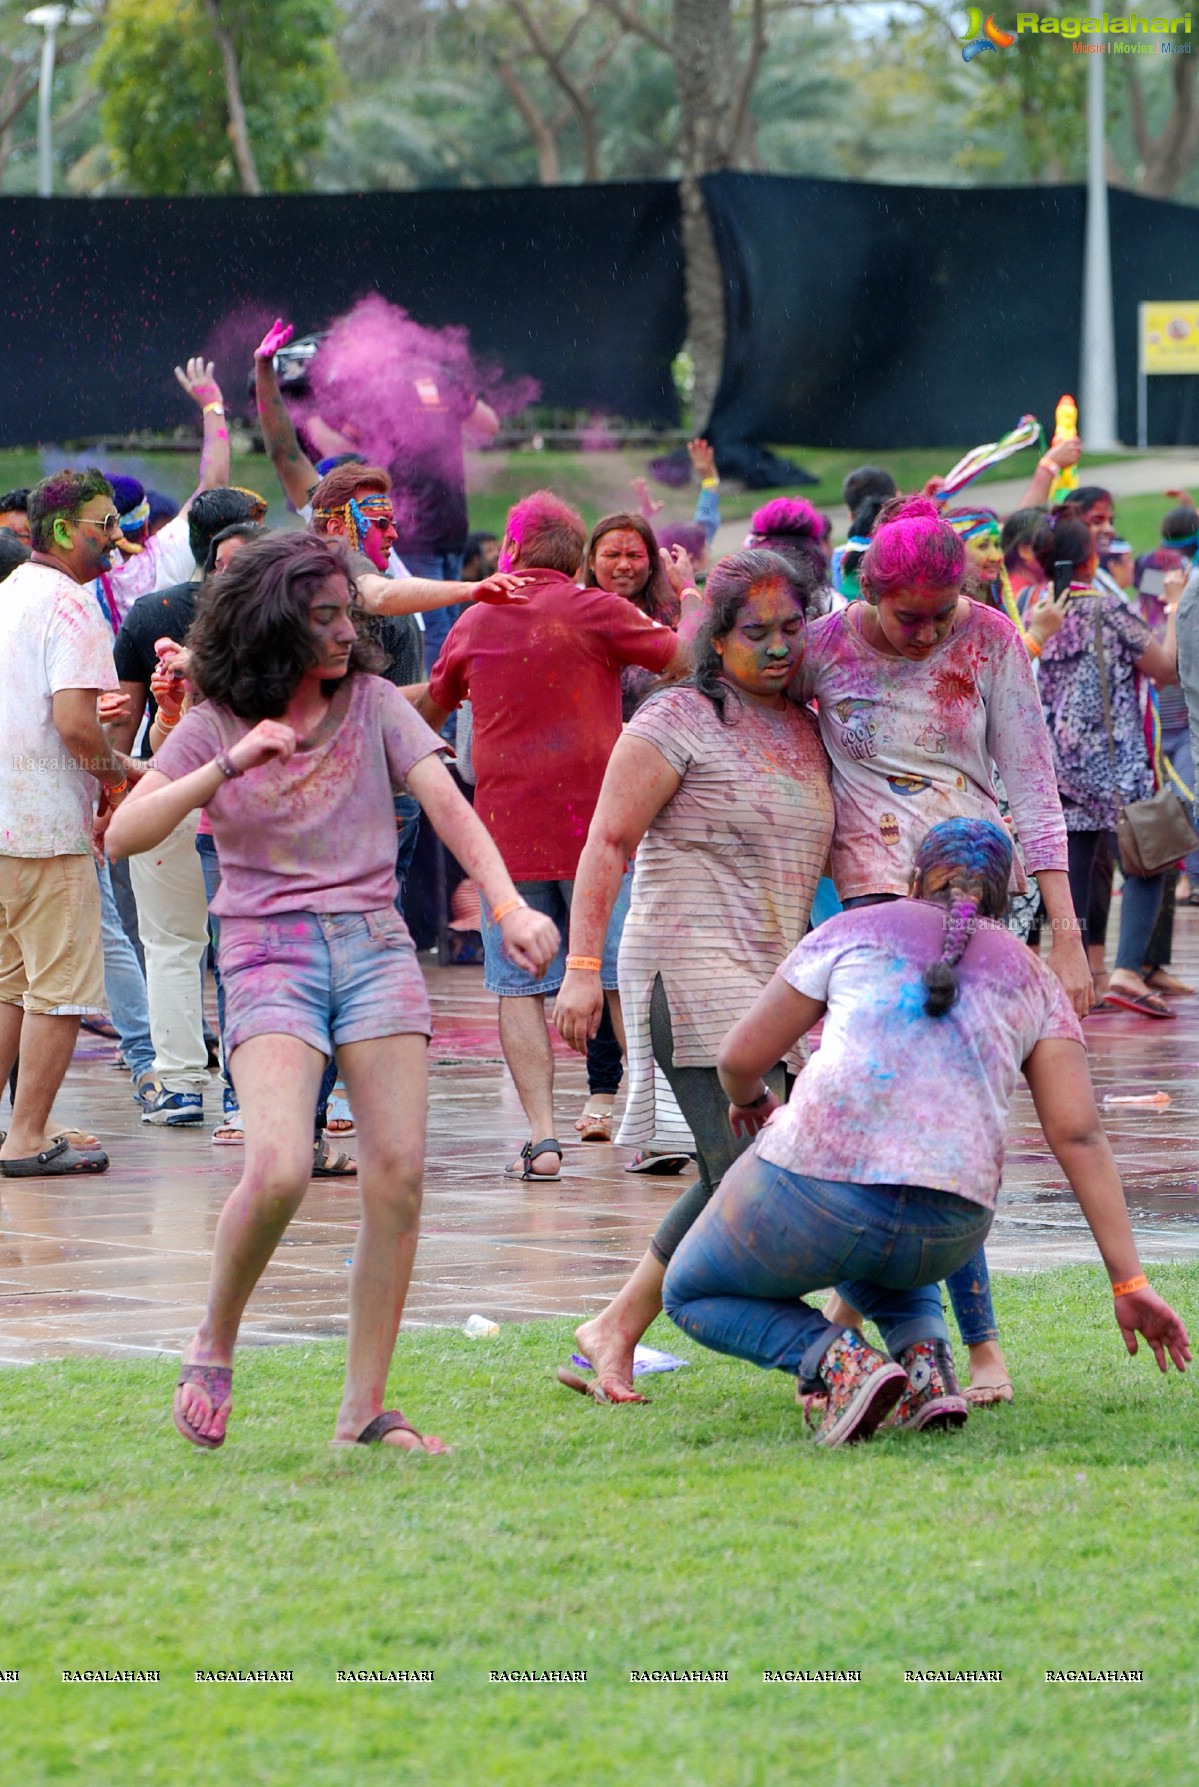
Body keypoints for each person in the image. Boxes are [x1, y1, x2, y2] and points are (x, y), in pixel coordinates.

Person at [106, 532, 558, 1452]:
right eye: (325, 618)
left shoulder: (376, 705)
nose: (347, 632)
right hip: (267, 950)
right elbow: (125, 834)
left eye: (348, 613)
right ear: (276, 623)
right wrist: (232, 761)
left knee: (397, 1176)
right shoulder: (215, 721)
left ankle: (365, 1408)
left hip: (375, 946)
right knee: (278, 1166)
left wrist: (507, 904)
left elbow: (447, 804)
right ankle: (213, 1340)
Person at [660, 818, 1190, 1447]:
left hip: (824, 1193)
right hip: (952, 1228)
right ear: (1006, 898)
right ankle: (926, 1368)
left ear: (912, 879)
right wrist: (1130, 1282)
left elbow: (738, 1060)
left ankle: (838, 1361)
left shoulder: (852, 930)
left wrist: (752, 1100)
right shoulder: (1034, 978)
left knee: (689, 1290)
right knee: (884, 1236)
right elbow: (1079, 1137)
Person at [796, 493, 1088, 1406]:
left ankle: (953, 1342)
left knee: (948, 1132)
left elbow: (1034, 783)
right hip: (874, 913)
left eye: (941, 616)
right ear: (867, 590)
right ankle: (886, 1334)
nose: (926, 638)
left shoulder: (990, 638)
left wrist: (1068, 931)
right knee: (892, 1135)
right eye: (906, 619)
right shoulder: (821, 645)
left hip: (975, 897)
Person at [552, 550, 834, 1402]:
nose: (780, 647)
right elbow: (606, 843)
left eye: (792, 628)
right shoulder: (674, 718)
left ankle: (610, 1329)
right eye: (756, 632)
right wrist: (580, 967)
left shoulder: (805, 724)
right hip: (685, 960)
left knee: (741, 1171)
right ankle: (820, 1353)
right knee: (750, 1173)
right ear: (714, 639)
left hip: (775, 974)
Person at [418, 491, 699, 1180]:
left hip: (504, 837)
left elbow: (435, 702)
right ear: (577, 558)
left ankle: (542, 1138)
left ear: (510, 553)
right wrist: (688, 593)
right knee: (618, 978)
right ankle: (649, 1122)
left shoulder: (474, 620)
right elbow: (680, 659)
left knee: (517, 987)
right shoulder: (597, 609)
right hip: (597, 830)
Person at [108, 488, 268, 1126]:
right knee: (241, 946)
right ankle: (239, 1088)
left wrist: (114, 797)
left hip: (165, 786)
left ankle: (176, 1085)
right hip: (243, 795)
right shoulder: (275, 619)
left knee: (171, 942)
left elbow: (122, 723)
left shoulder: (155, 611)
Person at [0, 469, 132, 1176]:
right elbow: (78, 727)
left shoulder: (9, 593)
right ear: (59, 531)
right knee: (56, 991)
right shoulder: (73, 607)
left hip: (4, 827)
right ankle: (25, 1138)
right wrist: (115, 785)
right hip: (47, 829)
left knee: (10, 986)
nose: (116, 539)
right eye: (103, 525)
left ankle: (22, 1126)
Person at [1033, 516, 1180, 1019]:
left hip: (1060, 763)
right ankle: (1124, 971)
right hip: (1117, 763)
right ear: (1089, 557)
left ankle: (1072, 974)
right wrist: (1177, 608)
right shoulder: (1108, 609)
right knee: (1148, 861)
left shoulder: (1037, 607)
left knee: (1071, 871)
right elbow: (1163, 669)